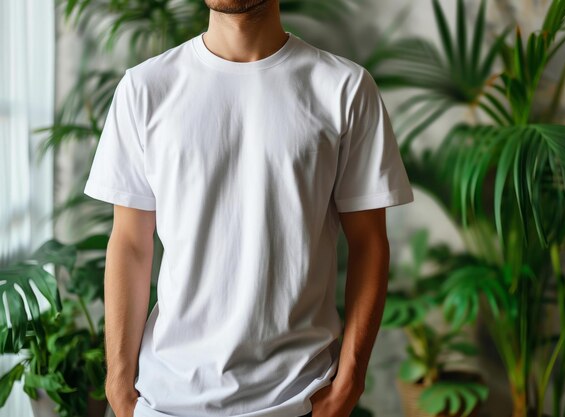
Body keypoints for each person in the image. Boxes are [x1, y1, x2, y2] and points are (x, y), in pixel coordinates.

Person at [83, 0, 414, 416]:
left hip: (298, 398)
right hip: (166, 399)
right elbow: (130, 243)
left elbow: (369, 243)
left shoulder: (343, 88)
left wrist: (350, 380)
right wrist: (118, 384)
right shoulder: (146, 88)